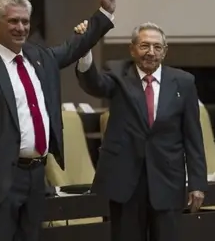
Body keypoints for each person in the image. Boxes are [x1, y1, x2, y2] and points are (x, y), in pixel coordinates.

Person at [0, 0, 118, 241]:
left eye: (25, 22)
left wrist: (104, 13)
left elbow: (74, 46)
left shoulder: (39, 57)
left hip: (36, 177)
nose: (21, 28)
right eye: (13, 21)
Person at [74, 21, 208, 241]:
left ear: (165, 52)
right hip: (126, 182)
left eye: (157, 47)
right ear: (132, 49)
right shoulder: (118, 74)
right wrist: (85, 47)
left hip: (167, 180)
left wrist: (197, 184)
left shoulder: (183, 82)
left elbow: (193, 137)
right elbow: (94, 84)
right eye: (144, 46)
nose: (151, 52)